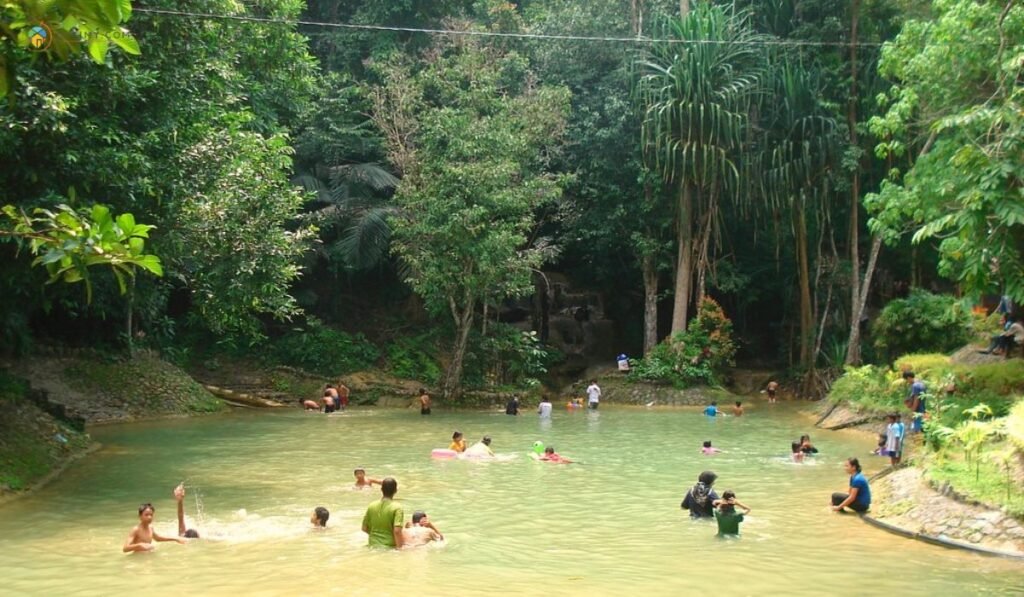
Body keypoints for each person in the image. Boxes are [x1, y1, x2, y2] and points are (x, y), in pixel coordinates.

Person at [361, 478, 404, 548]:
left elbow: (364, 528)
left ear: (381, 489)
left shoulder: (371, 505)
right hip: (390, 547)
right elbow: (397, 531)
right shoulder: (397, 507)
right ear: (395, 490)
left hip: (372, 546)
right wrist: (400, 549)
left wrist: (375, 537)